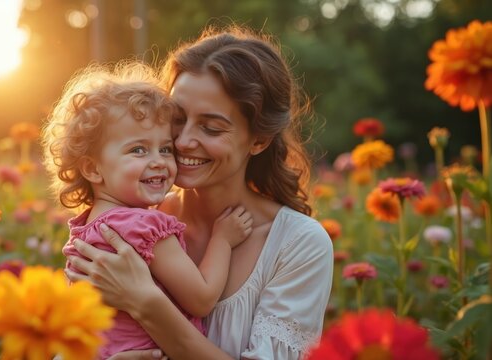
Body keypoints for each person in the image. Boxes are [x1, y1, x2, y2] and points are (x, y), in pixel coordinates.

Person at [66, 25, 334, 360]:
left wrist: (146, 303)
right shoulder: (134, 220)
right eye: (177, 119)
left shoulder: (297, 244)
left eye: (210, 127)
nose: (182, 141)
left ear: (259, 140)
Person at [42, 63, 254, 360]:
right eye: (138, 150)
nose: (158, 161)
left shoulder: (86, 228)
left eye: (165, 149)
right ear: (92, 168)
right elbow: (202, 299)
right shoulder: (142, 228)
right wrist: (222, 239)